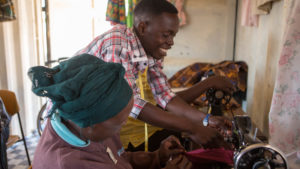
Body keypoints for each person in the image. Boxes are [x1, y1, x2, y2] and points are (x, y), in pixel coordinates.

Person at [76, 0, 234, 150]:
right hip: (74, 125)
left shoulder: (151, 52)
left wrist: (206, 120)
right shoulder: (118, 44)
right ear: (143, 28)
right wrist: (192, 128)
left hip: (98, 123)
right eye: (166, 35)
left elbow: (165, 95)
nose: (171, 42)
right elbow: (130, 103)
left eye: (173, 36)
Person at [29, 54, 192, 169]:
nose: (125, 124)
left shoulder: (82, 123)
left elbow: (118, 159)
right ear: (90, 125)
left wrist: (158, 157)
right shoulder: (69, 163)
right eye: (120, 123)